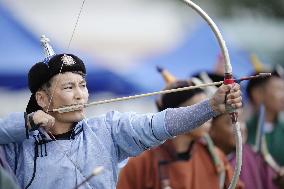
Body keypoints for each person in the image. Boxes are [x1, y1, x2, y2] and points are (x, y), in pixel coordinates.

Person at [0, 39, 242, 189]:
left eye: (82, 85)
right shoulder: (20, 144)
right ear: (42, 99)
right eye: (68, 87)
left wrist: (211, 107)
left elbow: (158, 124)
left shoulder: (107, 130)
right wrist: (26, 122)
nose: (80, 95)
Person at [117, 69, 243, 189]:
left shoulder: (215, 158)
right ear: (176, 116)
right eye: (196, 109)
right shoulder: (142, 163)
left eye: (206, 108)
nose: (207, 115)